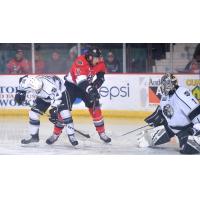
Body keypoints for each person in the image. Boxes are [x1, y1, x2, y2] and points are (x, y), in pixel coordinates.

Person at [46, 47, 111, 144]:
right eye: (96, 58)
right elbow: (81, 82)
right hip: (71, 86)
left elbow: (101, 77)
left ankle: (102, 133)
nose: (99, 60)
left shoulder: (99, 62)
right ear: (89, 57)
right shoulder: (80, 62)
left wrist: (95, 86)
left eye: (99, 58)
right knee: (63, 110)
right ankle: (55, 134)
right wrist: (91, 90)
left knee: (95, 107)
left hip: (86, 85)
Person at [137, 73, 200, 154]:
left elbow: (196, 111)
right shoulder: (164, 97)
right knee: (148, 137)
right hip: (174, 129)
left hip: (187, 130)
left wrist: (196, 129)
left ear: (170, 85)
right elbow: (161, 112)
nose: (162, 86)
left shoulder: (182, 93)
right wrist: (154, 119)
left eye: (164, 84)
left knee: (186, 149)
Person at [14, 75, 78, 146]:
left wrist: (54, 111)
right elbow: (21, 81)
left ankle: (71, 135)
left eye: (40, 89)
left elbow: (57, 99)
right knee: (33, 114)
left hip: (60, 94)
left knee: (65, 114)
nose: (38, 91)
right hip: (43, 97)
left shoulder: (51, 88)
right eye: (37, 90)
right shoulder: (27, 81)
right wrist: (19, 93)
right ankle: (34, 137)